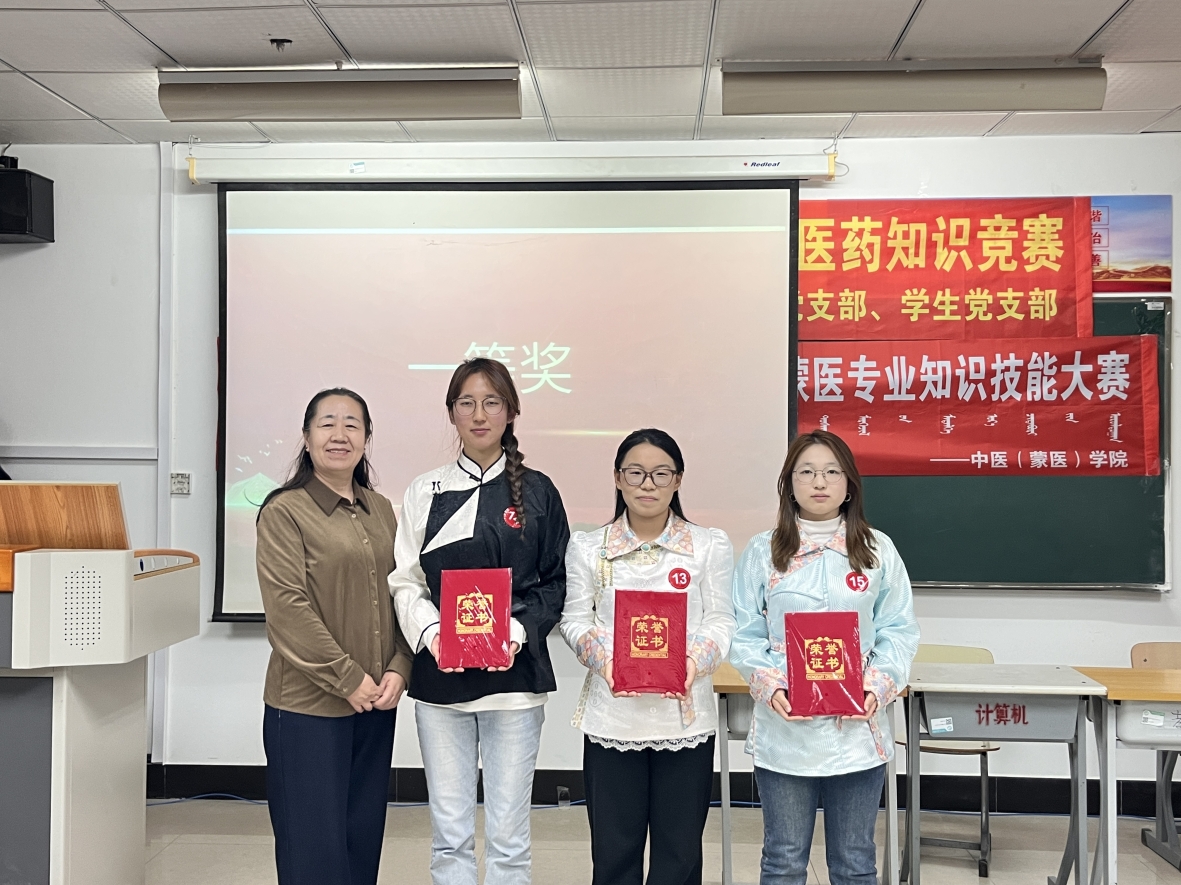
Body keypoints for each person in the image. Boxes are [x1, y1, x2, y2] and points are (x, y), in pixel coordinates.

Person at [389, 357, 570, 885]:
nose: (479, 414)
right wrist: (433, 635)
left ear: (511, 411)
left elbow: (557, 581)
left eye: (491, 402)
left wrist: (513, 632)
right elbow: (406, 580)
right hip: (440, 682)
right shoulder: (425, 490)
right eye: (466, 402)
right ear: (451, 413)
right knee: (450, 836)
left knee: (509, 838)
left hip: (514, 685)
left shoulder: (538, 491)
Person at [730, 429, 919, 885]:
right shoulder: (762, 551)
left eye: (832, 472)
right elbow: (743, 631)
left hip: (856, 731)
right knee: (783, 859)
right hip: (786, 730)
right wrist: (770, 685)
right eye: (807, 472)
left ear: (849, 483)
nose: (819, 482)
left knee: (855, 861)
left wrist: (876, 687)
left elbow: (898, 629)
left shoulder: (876, 549)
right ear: (789, 483)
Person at [560, 428, 735, 885]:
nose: (647, 484)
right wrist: (607, 662)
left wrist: (691, 663)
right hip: (612, 719)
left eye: (661, 474)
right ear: (618, 478)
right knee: (614, 853)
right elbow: (574, 620)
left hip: (685, 721)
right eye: (635, 473)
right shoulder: (588, 547)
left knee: (679, 854)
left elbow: (721, 620)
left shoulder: (708, 545)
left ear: (678, 480)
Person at [255, 387, 413, 885]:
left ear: (366, 438)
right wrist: (348, 678)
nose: (339, 434)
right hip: (308, 709)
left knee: (360, 841)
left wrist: (400, 666)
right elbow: (288, 610)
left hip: (376, 702)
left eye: (352, 424)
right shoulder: (284, 511)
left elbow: (403, 591)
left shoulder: (381, 509)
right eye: (327, 423)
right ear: (306, 437)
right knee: (313, 849)